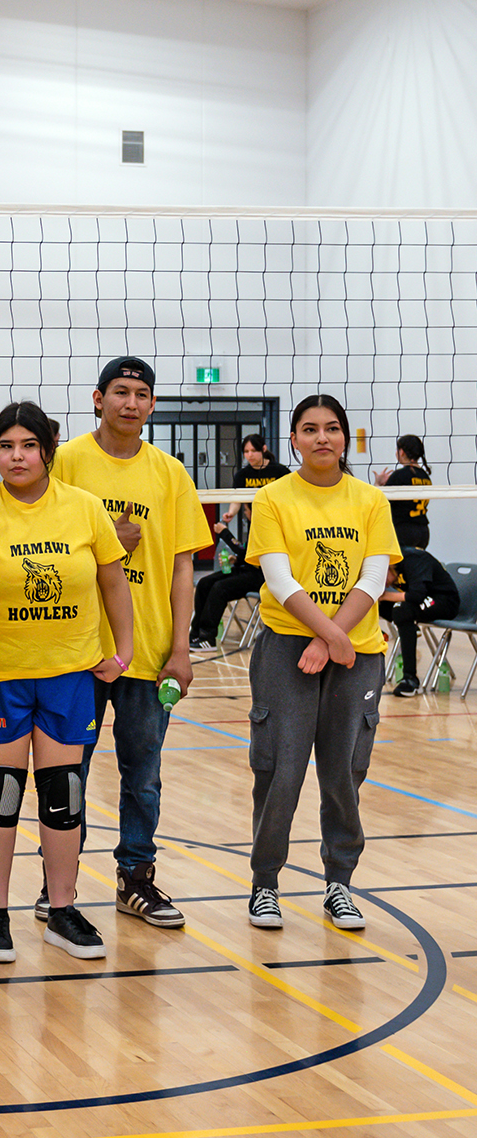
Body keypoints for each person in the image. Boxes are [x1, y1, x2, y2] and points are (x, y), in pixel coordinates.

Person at [0, 401, 132, 964]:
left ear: (47, 450)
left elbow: (114, 585)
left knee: (63, 796)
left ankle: (62, 909)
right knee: (1, 795)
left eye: (27, 445)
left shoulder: (85, 508)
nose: (16, 456)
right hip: (1, 673)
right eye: (5, 446)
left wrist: (122, 653)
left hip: (70, 672)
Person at [50, 357, 211, 929]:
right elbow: (37, 534)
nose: (131, 403)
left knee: (142, 773)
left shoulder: (170, 474)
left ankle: (135, 879)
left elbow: (182, 567)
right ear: (98, 398)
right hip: (78, 650)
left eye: (142, 394)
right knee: (68, 768)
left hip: (148, 652)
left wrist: (180, 649)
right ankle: (58, 884)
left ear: (152, 404)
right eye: (121, 392)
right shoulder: (65, 460)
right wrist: (101, 541)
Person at [243, 395, 400, 931]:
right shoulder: (272, 498)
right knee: (280, 770)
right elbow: (279, 579)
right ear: (293, 439)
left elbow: (374, 580)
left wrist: (332, 639)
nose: (323, 438)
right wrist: (329, 635)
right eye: (310, 429)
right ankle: (266, 885)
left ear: (345, 437)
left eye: (333, 429)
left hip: (356, 654)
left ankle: (340, 883)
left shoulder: (370, 500)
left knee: (343, 772)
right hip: (291, 646)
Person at [191, 435, 290, 651]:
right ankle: (196, 635)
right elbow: (237, 497)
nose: (249, 456)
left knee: (219, 588)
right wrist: (231, 513)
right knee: (206, 583)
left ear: (263, 449)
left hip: (264, 571)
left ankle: (208, 638)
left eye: (253, 451)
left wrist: (226, 535)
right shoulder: (243, 475)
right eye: (245, 452)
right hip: (249, 562)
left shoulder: (280, 472)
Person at [378, 547, 459, 697]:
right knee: (383, 607)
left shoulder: (414, 560)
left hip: (444, 600)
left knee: (401, 611)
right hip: (422, 601)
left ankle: (410, 680)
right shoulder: (393, 570)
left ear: (388, 567)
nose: (385, 585)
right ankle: (410, 628)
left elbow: (417, 595)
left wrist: (384, 595)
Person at [375, 435, 431, 550]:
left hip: (403, 532)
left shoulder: (400, 475)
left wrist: (378, 484)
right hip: (423, 532)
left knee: (400, 567)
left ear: (401, 452)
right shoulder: (425, 476)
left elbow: (378, 500)